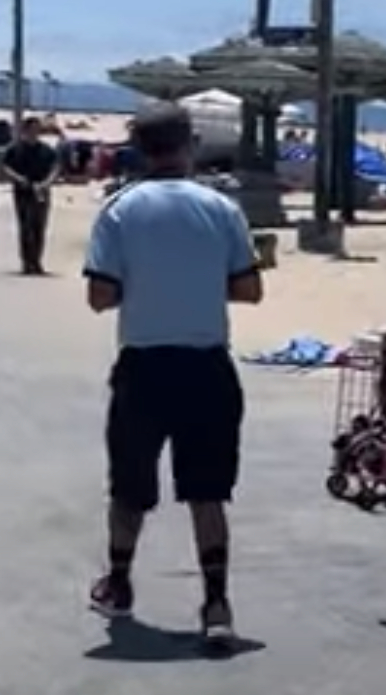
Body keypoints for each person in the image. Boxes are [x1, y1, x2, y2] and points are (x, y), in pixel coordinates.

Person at [81, 102, 264, 646]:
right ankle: (216, 602)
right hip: (207, 366)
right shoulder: (221, 208)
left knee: (130, 488)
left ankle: (118, 582)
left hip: (144, 367)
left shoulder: (119, 209)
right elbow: (250, 289)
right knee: (207, 492)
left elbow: (100, 296)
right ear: (190, 145)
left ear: (140, 147)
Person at [2, 116, 59, 274]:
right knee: (25, 228)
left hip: (42, 192)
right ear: (24, 130)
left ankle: (37, 261)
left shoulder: (47, 150)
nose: (34, 133)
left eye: (37, 130)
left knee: (39, 228)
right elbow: (6, 167)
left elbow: (55, 168)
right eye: (31, 129)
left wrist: (46, 183)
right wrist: (19, 179)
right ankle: (26, 262)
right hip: (23, 193)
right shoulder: (15, 149)